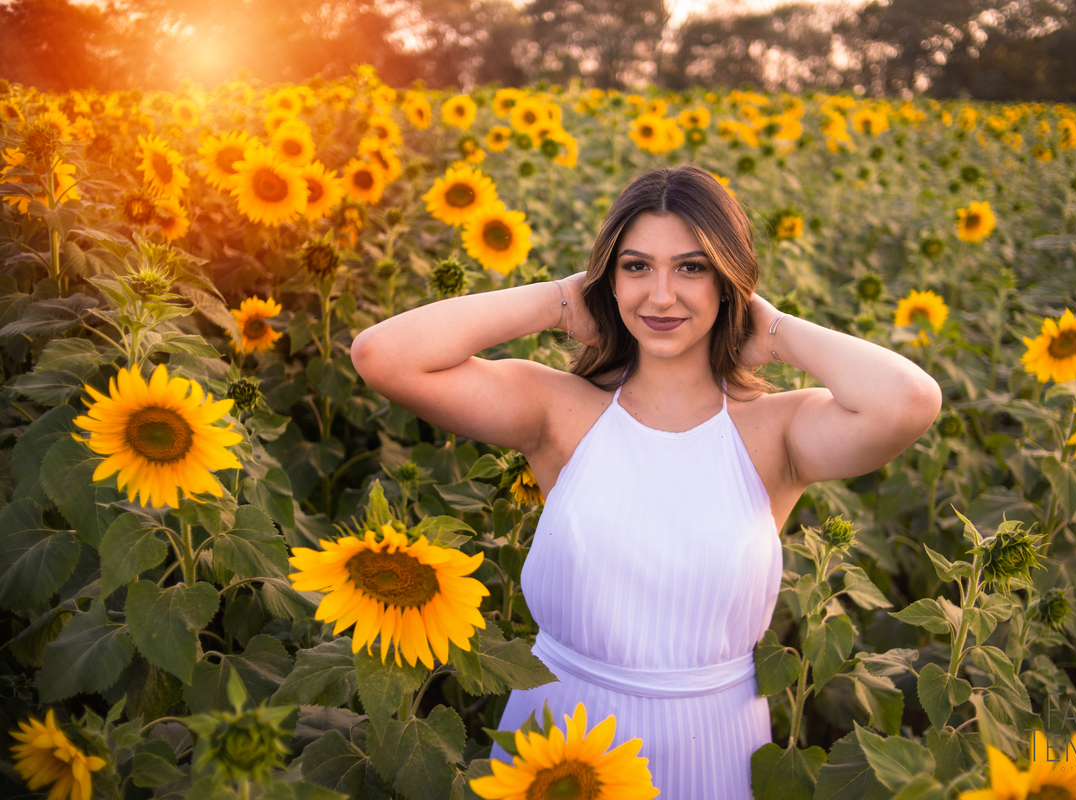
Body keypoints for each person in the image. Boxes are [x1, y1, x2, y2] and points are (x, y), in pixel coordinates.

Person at [350, 164, 942, 799]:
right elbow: (382, 355)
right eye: (636, 267)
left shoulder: (774, 434)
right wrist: (560, 301)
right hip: (558, 738)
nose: (661, 297)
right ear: (607, 279)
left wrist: (770, 330)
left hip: (712, 746)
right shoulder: (560, 412)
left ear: (728, 282)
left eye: (692, 268)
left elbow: (908, 401)